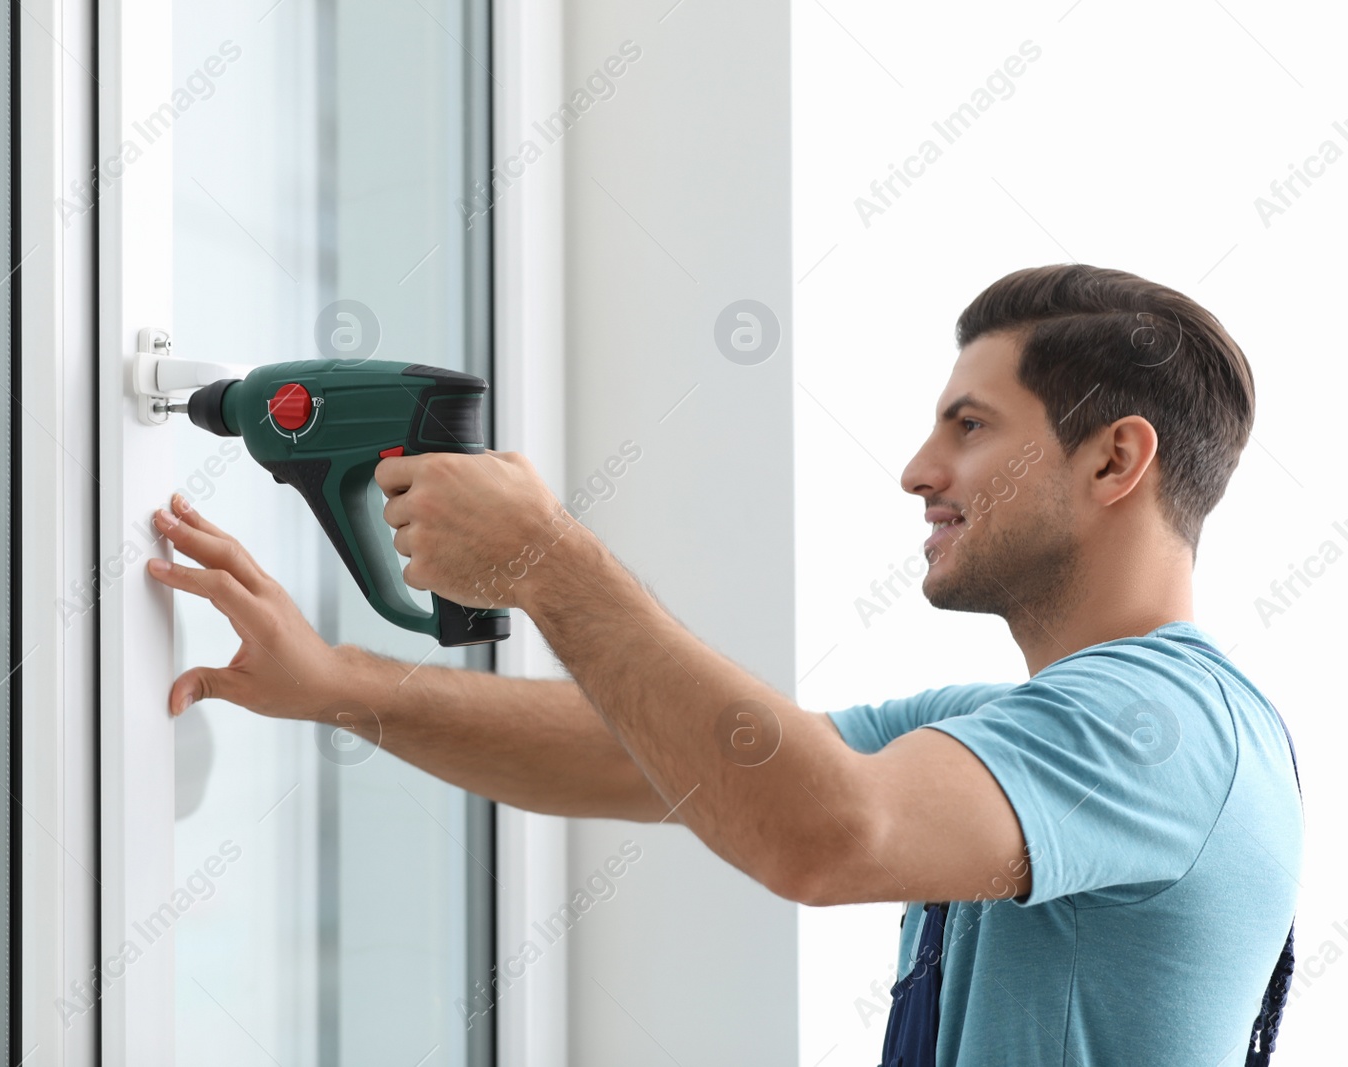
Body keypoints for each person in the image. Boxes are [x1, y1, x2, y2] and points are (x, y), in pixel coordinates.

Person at [145, 264, 1303, 1065]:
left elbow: (820, 831)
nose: (915, 469)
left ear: (1114, 462)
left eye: (969, 425)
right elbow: (669, 762)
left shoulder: (1163, 727)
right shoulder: (1017, 730)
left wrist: (551, 560)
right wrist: (343, 684)